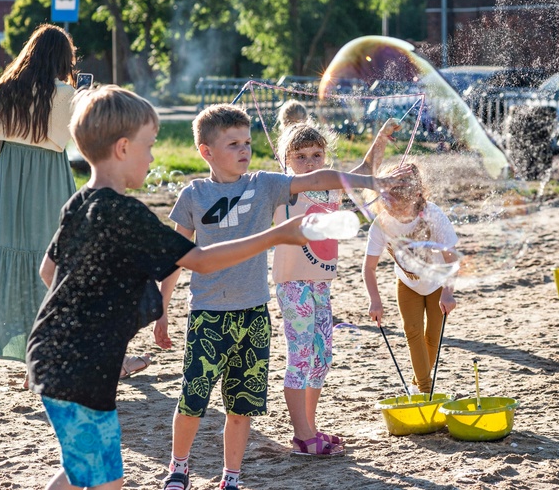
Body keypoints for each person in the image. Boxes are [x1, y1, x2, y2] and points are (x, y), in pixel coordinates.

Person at [26, 85, 310, 490]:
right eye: (149, 146)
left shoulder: (80, 201)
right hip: (81, 368)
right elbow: (202, 260)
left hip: (55, 356)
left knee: (87, 471)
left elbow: (47, 270)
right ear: (123, 149)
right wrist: (275, 235)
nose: (154, 156)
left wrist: (91, 318)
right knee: (104, 479)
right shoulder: (128, 214)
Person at [156, 104, 406, 489]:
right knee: (193, 399)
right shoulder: (194, 194)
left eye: (247, 142)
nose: (244, 150)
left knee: (242, 406)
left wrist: (373, 181)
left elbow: (321, 176)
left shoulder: (265, 185)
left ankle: (232, 477)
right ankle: (178, 466)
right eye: (233, 143)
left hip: (254, 314)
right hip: (208, 314)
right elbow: (176, 255)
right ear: (205, 151)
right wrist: (162, 309)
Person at [271, 114, 398, 457]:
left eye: (316, 155)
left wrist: (382, 136)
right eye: (300, 156)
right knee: (300, 356)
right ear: (285, 160)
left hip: (321, 283)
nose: (309, 162)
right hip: (293, 283)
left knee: (322, 356)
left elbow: (366, 166)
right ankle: (301, 436)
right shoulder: (283, 188)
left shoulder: (331, 186)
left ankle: (310, 427)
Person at [0, 24, 77, 365]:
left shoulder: (2, 91)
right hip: (50, 179)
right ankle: (53, 338)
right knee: (51, 254)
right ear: (63, 58)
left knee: (10, 250)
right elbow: (79, 144)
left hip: (9, 179)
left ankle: (19, 339)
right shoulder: (68, 96)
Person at [363, 162, 458, 394]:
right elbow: (369, 267)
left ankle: (417, 384)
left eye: (399, 205)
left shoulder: (433, 215)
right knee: (413, 332)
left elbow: (452, 257)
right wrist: (374, 300)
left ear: (416, 196)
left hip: (437, 282)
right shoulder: (381, 224)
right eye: (386, 203)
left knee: (432, 339)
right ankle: (425, 392)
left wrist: (448, 292)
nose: (392, 210)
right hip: (407, 284)